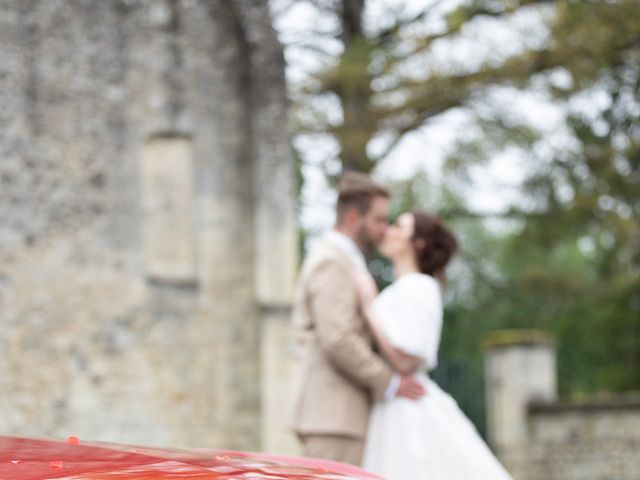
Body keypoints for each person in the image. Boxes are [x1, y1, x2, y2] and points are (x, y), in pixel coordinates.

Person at [357, 211, 514, 480]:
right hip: (392, 405)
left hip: (408, 404)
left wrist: (369, 310)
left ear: (418, 243)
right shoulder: (402, 288)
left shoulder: (419, 286)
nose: (389, 230)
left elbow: (406, 360)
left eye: (399, 226)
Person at [289, 172, 426, 466]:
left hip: (340, 415)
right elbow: (338, 338)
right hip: (332, 416)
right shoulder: (331, 261)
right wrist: (389, 381)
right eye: (378, 219)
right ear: (353, 218)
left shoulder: (345, 259)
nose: (383, 229)